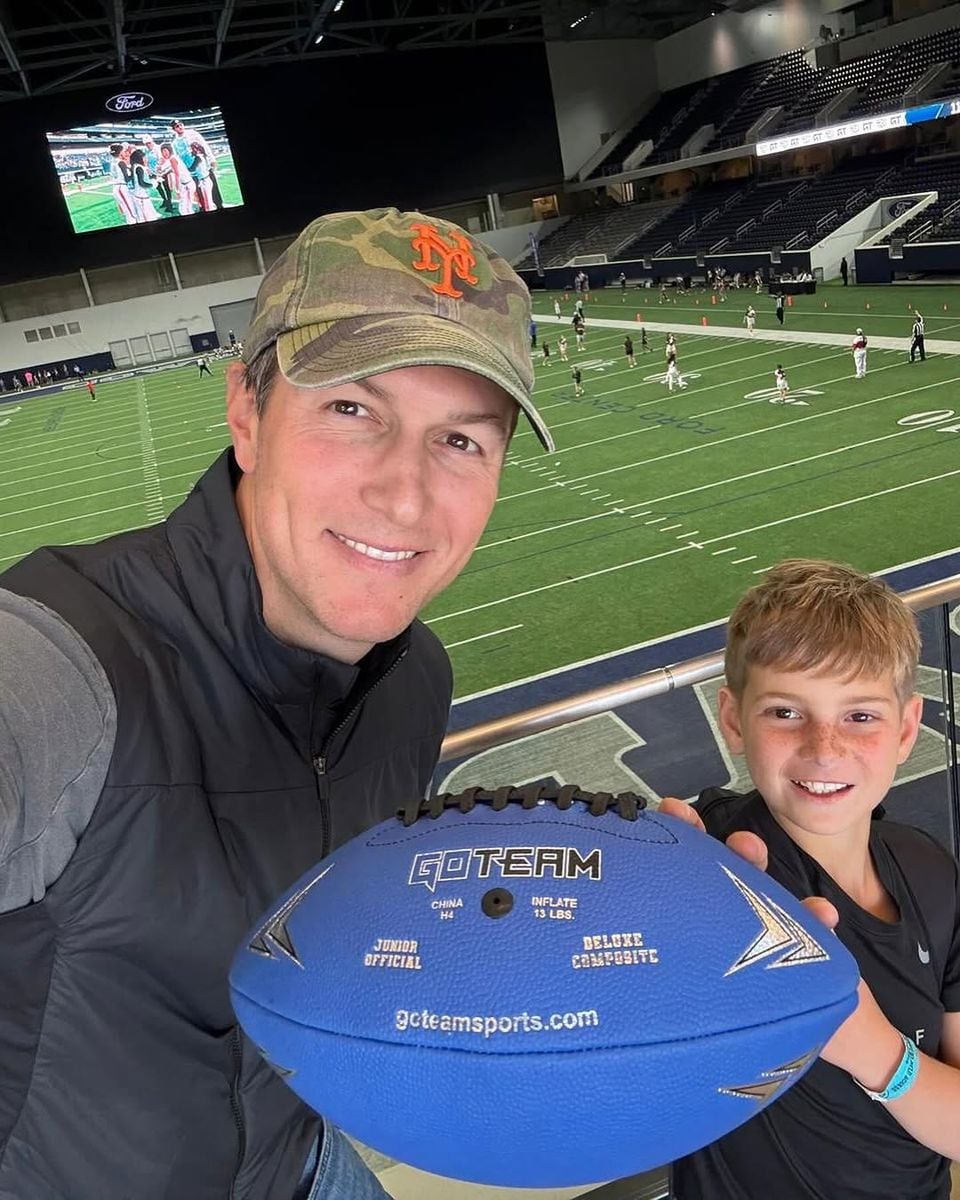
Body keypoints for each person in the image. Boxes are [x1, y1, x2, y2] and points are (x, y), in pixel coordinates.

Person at [0, 207, 562, 1200]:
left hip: (303, 1168)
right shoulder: (59, 669)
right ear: (246, 414)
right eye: (352, 408)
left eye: (462, 439)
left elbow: (332, 935)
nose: (405, 493)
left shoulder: (412, 679)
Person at [672, 559, 960, 1200]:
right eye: (784, 712)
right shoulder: (712, 860)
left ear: (908, 728)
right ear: (733, 719)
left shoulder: (932, 873)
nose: (824, 747)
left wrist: (872, 1049)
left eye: (860, 716)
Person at [107, 142, 137, 226]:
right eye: (123, 151)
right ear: (120, 152)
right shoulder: (120, 162)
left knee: (127, 209)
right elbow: (127, 179)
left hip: (118, 187)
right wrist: (133, 172)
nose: (124, 152)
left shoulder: (113, 162)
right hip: (121, 187)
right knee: (130, 210)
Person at [128, 149, 160, 223]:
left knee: (145, 217)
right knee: (147, 219)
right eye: (144, 158)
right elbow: (142, 183)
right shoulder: (139, 168)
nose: (146, 160)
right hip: (141, 197)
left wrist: (154, 179)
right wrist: (153, 184)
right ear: (139, 159)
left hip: (140, 196)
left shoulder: (136, 166)